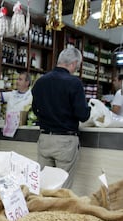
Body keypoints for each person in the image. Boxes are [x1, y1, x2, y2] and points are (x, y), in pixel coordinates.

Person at [31, 47, 91, 189]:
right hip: (65, 141)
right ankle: (60, 211)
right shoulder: (74, 83)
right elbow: (82, 115)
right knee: (63, 188)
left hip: (45, 138)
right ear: (74, 63)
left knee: (44, 186)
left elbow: (35, 110)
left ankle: (43, 210)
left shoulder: (40, 82)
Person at [0, 71, 32, 137]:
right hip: (9, 129)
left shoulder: (31, 96)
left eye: (20, 79)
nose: (17, 82)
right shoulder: (12, 94)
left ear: (27, 82)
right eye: (17, 79)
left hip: (23, 131)